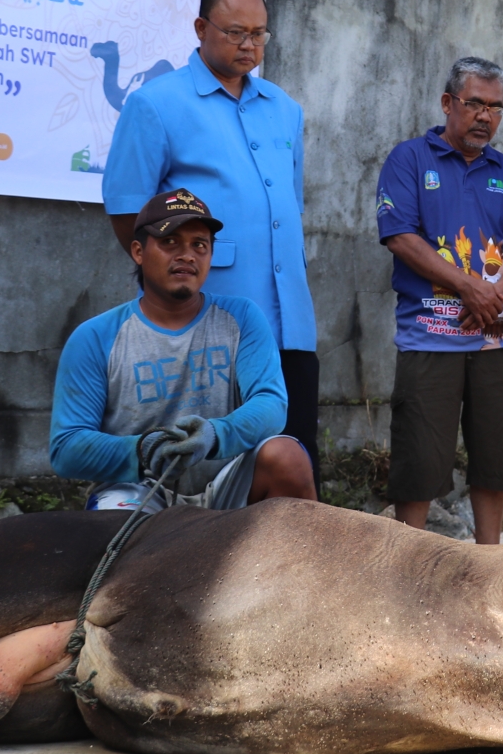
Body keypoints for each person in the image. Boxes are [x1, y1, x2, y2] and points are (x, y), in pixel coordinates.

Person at [102, 0, 321, 473]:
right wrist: (171, 291)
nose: (249, 45)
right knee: (209, 468)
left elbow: (288, 209)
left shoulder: (284, 109)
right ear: (201, 29)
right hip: (207, 323)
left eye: (260, 35)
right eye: (236, 32)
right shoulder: (156, 104)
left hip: (289, 323)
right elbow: (127, 213)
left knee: (293, 463)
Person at [49, 189, 318, 512]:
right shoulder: (95, 337)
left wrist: (215, 435)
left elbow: (271, 404)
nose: (187, 255)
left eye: (199, 245)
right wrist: (143, 450)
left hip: (225, 483)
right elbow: (67, 448)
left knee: (286, 457)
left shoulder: (242, 317)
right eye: (170, 242)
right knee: (115, 525)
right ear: (138, 251)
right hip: (139, 490)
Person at [376, 57, 503, 543]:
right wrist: (468, 286)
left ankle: (488, 560)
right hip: (430, 339)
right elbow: (400, 236)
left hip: (500, 340)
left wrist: (496, 294)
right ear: (448, 103)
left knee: (497, 459)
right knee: (419, 462)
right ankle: (409, 563)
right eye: (475, 104)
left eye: (496, 108)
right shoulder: (409, 160)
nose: (485, 117)